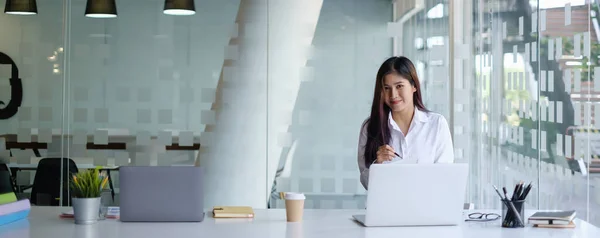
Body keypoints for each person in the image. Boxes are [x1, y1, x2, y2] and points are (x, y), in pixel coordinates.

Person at [357, 56, 454, 190]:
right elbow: (366, 183)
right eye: (387, 88)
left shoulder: (436, 125)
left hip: (426, 207)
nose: (393, 95)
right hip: (386, 208)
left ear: (414, 86)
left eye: (399, 86)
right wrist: (377, 165)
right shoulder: (370, 127)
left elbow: (444, 177)